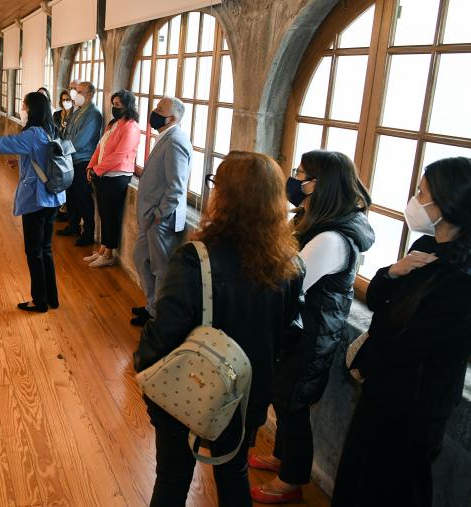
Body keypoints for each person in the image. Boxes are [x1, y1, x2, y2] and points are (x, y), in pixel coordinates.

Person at [134, 151, 304, 507]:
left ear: (223, 196)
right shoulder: (290, 264)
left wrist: (143, 368)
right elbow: (289, 332)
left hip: (188, 386)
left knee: (173, 475)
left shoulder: (195, 259)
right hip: (245, 391)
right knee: (234, 471)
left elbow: (165, 330)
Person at [331, 157, 471, 507]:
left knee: (397, 489)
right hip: (383, 390)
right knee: (358, 480)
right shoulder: (423, 248)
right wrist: (393, 272)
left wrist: (387, 320)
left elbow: (407, 342)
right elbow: (378, 299)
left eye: (422, 193)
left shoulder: (462, 278)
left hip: (416, 406)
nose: (414, 199)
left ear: (446, 203)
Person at [249, 150, 375, 504]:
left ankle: (292, 480)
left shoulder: (331, 239)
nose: (295, 178)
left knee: (294, 405)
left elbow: (290, 282)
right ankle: (281, 457)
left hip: (312, 335)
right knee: (284, 397)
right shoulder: (314, 220)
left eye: (301, 173)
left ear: (319, 184)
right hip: (302, 331)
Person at [0, 92, 66, 313]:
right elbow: (42, 157)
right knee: (46, 249)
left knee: (34, 252)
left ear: (32, 110)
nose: (22, 109)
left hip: (37, 200)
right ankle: (51, 298)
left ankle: (39, 301)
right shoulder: (52, 129)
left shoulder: (33, 133)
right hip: (54, 198)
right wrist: (20, 160)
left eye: (23, 106)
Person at [131, 97, 192, 326]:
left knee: (160, 268)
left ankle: (160, 318)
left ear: (173, 118)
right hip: (151, 217)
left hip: (161, 219)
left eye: (160, 109)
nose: (154, 112)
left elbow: (176, 186)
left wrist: (160, 214)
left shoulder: (176, 141)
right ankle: (151, 306)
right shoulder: (165, 137)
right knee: (140, 258)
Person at [83, 90, 140, 267]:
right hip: (102, 174)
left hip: (117, 176)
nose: (114, 108)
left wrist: (97, 170)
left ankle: (109, 254)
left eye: (118, 105)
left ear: (127, 105)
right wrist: (91, 167)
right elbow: (100, 148)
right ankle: (102, 249)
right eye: (113, 104)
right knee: (104, 213)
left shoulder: (131, 127)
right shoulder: (113, 124)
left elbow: (119, 155)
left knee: (111, 215)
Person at [58, 81, 102, 246]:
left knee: (83, 197)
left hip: (82, 160)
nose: (76, 94)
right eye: (76, 90)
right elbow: (67, 131)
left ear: (90, 95)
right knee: (71, 194)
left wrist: (62, 149)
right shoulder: (77, 111)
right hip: (70, 159)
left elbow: (81, 140)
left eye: (81, 92)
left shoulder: (94, 114)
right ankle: (73, 225)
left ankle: (88, 233)